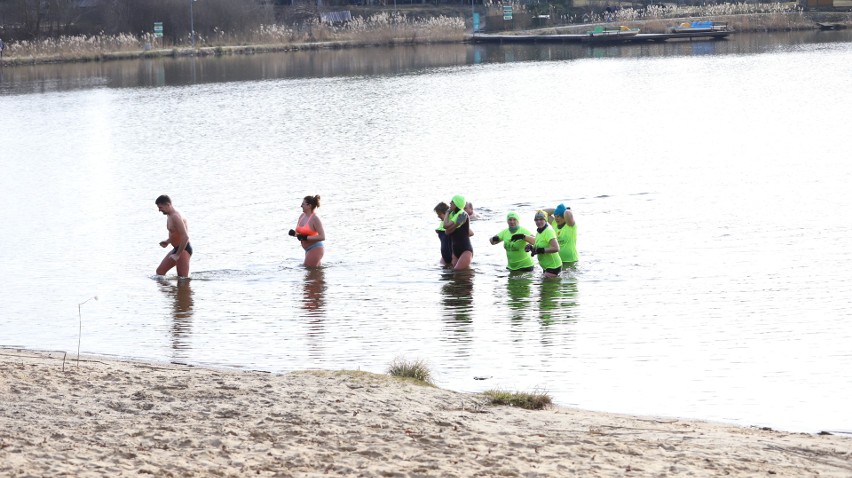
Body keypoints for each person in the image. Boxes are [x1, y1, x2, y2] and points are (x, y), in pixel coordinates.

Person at [155, 195, 192, 277]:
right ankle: (170, 290)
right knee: (160, 272)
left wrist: (178, 255)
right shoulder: (169, 215)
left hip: (183, 250)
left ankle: (178, 290)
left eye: (160, 207)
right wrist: (168, 241)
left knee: (182, 280)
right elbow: (175, 232)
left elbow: (185, 237)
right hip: (177, 249)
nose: (159, 210)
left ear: (168, 205)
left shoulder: (176, 216)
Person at [519, 210, 561, 278]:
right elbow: (537, 249)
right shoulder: (539, 232)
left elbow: (556, 248)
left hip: (553, 266)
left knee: (544, 287)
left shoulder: (549, 231)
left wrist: (541, 250)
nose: (538, 222)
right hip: (546, 267)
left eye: (541, 219)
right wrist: (530, 247)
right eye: (536, 220)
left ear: (546, 220)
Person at [288, 195, 325, 267]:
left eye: (303, 204)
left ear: (309, 206)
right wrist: (294, 233)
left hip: (315, 248)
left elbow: (322, 237)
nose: (301, 206)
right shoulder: (302, 216)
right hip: (307, 249)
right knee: (313, 275)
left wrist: (305, 238)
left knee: (308, 272)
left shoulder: (315, 219)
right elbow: (299, 234)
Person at [443, 194, 473, 270]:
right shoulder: (454, 214)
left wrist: (446, 213)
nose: (450, 203)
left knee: (457, 272)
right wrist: (454, 226)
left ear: (456, 204)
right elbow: (447, 231)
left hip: (465, 250)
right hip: (455, 250)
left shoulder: (463, 214)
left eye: (452, 202)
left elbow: (446, 227)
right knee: (455, 276)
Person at [434, 202, 452, 267]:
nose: (438, 216)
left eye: (439, 214)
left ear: (446, 213)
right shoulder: (442, 223)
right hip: (445, 254)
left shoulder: (452, 222)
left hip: (452, 254)